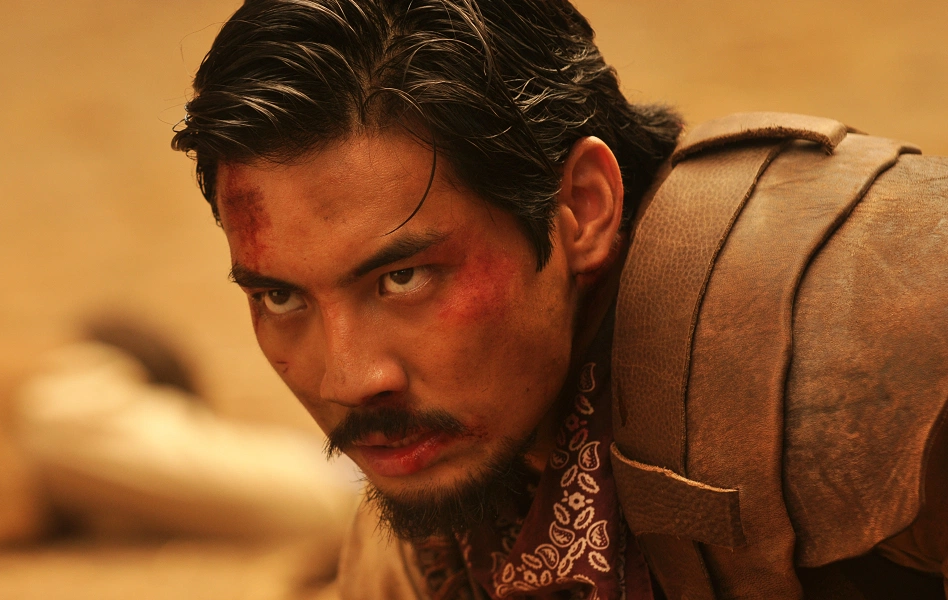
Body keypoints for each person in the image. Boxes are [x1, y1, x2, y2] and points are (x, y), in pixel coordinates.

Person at [172, 1, 948, 598]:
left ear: (581, 205)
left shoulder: (860, 346)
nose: (348, 379)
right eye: (280, 297)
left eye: (402, 278)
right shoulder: (424, 529)